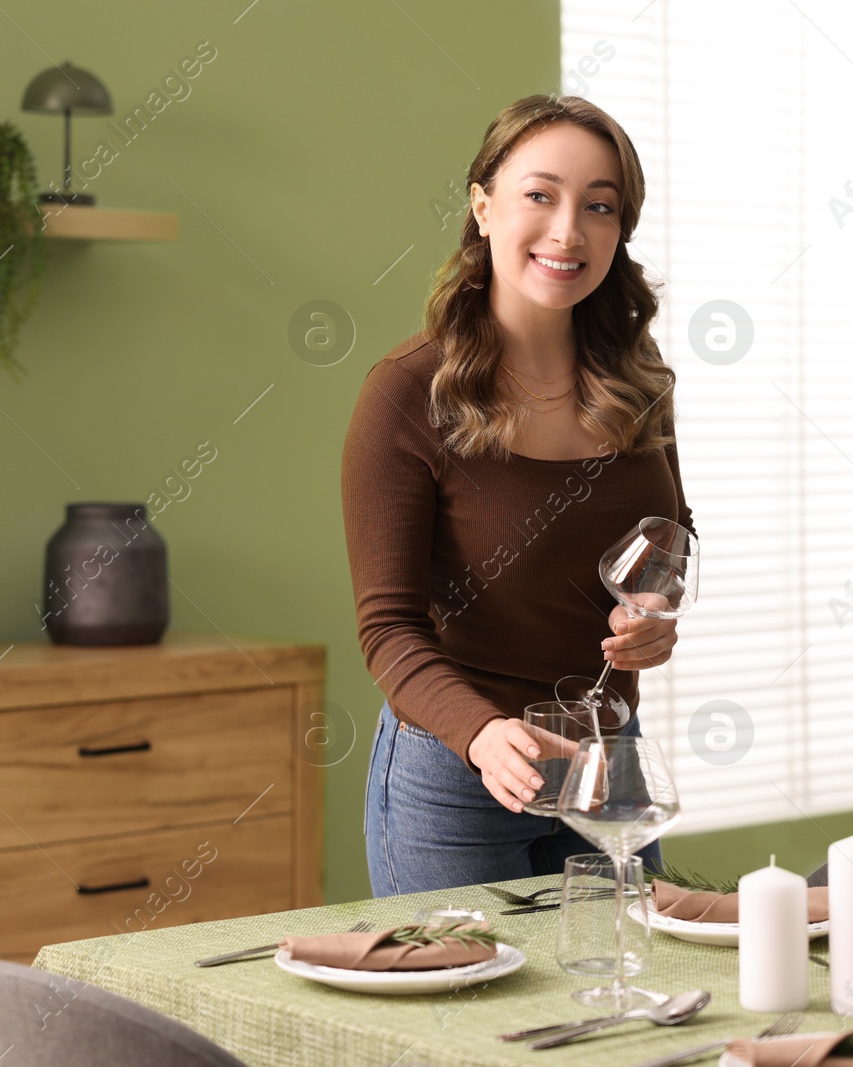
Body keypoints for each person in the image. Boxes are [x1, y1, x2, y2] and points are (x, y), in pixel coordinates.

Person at [341, 94, 696, 896]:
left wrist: (654, 614)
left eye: (599, 206)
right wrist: (480, 733)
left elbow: (672, 535)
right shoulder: (406, 395)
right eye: (541, 194)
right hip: (459, 769)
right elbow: (388, 627)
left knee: (630, 988)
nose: (569, 230)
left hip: (608, 758)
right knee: (472, 1012)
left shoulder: (638, 381)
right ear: (483, 206)